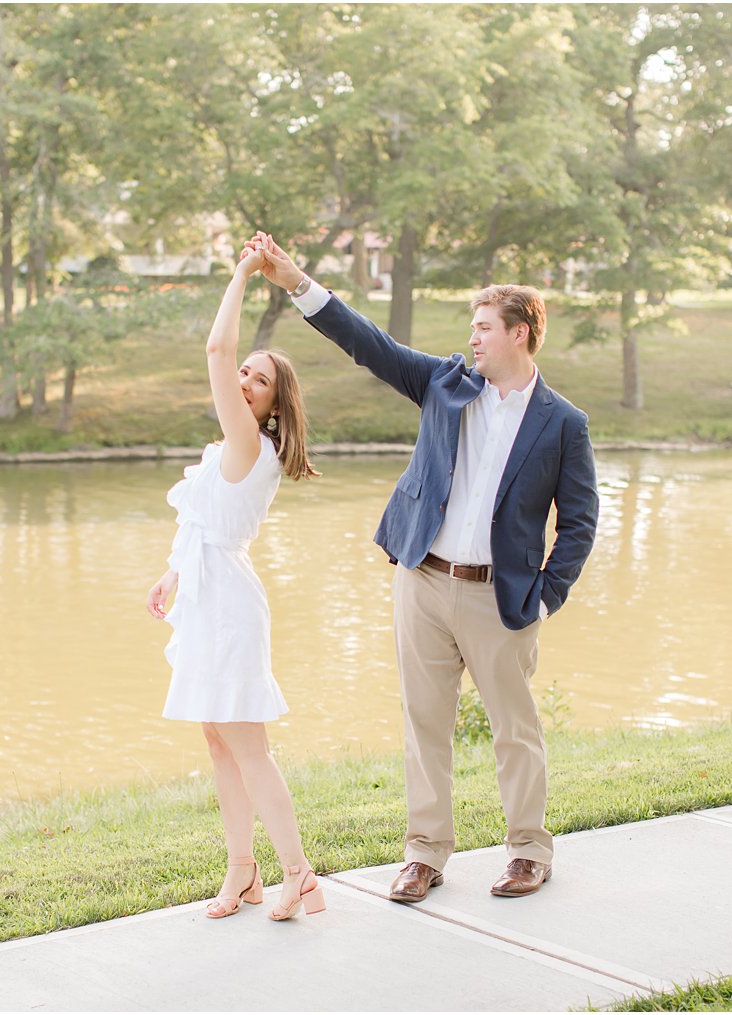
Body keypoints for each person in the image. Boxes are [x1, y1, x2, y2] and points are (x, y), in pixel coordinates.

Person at [245, 232, 598, 903]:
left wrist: (547, 597)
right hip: (424, 579)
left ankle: (527, 849)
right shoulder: (444, 383)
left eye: (486, 328)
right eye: (473, 327)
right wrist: (297, 282)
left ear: (521, 334)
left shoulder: (563, 423)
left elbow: (579, 521)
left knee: (514, 728)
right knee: (423, 720)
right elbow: (367, 343)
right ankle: (425, 852)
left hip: (503, 598)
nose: (474, 339)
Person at [145, 243, 325, 922]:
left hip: (229, 610)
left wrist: (244, 273)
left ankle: (299, 875)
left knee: (248, 745)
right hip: (206, 596)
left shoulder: (252, 442)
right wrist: (171, 574)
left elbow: (216, 353)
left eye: (258, 380)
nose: (243, 380)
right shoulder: (230, 451)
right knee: (218, 741)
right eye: (244, 374)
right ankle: (243, 874)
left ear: (273, 404)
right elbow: (208, 524)